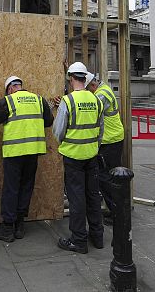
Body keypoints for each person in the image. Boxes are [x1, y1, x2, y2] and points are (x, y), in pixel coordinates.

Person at [0, 75, 53, 242]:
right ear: (20, 86)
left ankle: (7, 227)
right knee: (26, 186)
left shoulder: (7, 102)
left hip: (15, 152)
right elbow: (48, 121)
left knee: (11, 188)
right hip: (33, 151)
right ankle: (20, 225)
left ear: (9, 89)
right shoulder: (38, 100)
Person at [54, 61, 104, 254]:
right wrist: (92, 146)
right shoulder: (96, 100)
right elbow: (100, 131)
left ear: (71, 78)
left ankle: (79, 240)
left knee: (76, 199)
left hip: (73, 157)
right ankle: (97, 237)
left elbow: (58, 131)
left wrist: (66, 144)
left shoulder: (68, 101)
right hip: (92, 155)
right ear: (85, 78)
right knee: (93, 196)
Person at [85, 72, 124, 227]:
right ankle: (116, 210)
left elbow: (89, 109)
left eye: (87, 89)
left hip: (110, 140)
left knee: (106, 178)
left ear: (92, 86)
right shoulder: (102, 89)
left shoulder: (101, 95)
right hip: (110, 139)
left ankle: (117, 214)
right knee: (108, 177)